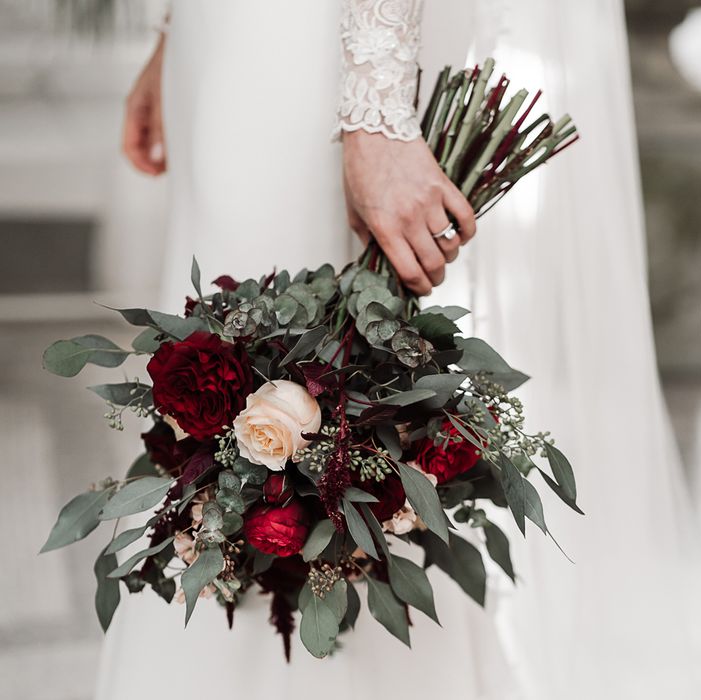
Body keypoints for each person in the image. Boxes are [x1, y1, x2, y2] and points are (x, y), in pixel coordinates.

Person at [98, 2, 524, 699]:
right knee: (219, 367)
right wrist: (170, 31)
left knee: (320, 381)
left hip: (319, 48)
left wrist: (375, 113)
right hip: (225, 37)